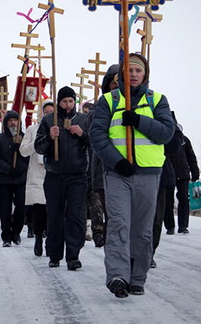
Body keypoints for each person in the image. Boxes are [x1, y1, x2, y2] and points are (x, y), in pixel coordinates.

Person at [89, 52, 175, 298]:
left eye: (138, 70)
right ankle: (117, 276)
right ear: (122, 75)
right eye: (130, 70)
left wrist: (137, 120)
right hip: (118, 173)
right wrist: (116, 162)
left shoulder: (157, 100)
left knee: (142, 229)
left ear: (145, 74)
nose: (134, 74)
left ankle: (137, 278)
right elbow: (97, 136)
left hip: (149, 174)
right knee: (118, 224)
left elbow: (166, 133)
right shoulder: (109, 100)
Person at [35, 87, 89, 270]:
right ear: (59, 102)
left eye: (71, 101)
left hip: (78, 175)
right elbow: (39, 148)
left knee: (74, 215)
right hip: (54, 175)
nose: (68, 105)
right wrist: (50, 137)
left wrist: (82, 134)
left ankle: (73, 255)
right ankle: (54, 254)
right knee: (55, 215)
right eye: (64, 101)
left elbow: (95, 143)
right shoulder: (49, 120)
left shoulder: (83, 120)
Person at [86, 64, 120, 248]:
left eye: (119, 83)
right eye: (112, 84)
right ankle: (116, 262)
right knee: (114, 219)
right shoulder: (97, 109)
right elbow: (96, 136)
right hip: (104, 171)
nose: (116, 87)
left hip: (132, 171)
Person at [0, 110, 29, 247]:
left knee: (21, 207)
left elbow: (30, 156)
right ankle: (6, 235)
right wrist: (8, 169)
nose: (13, 123)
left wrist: (20, 156)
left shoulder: (25, 137)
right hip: (4, 180)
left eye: (15, 120)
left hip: (21, 179)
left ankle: (16, 232)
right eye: (10, 120)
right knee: (4, 208)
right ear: (6, 123)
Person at [20, 99, 54, 256]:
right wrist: (37, 144)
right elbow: (23, 151)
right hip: (37, 174)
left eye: (51, 112)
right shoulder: (32, 129)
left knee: (52, 210)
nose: (48, 115)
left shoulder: (58, 129)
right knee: (39, 209)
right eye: (45, 112)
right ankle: (38, 237)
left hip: (53, 173)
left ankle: (50, 239)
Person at [151, 128, 184, 268]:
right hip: (132, 173)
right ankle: (132, 254)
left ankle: (148, 253)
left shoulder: (164, 114)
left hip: (160, 174)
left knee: (156, 219)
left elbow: (175, 143)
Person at [165, 121, 201, 235]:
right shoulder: (164, 139)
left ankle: (183, 226)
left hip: (183, 174)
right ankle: (170, 227)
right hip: (168, 174)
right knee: (167, 201)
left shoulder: (184, 140)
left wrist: (195, 171)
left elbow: (191, 156)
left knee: (184, 199)